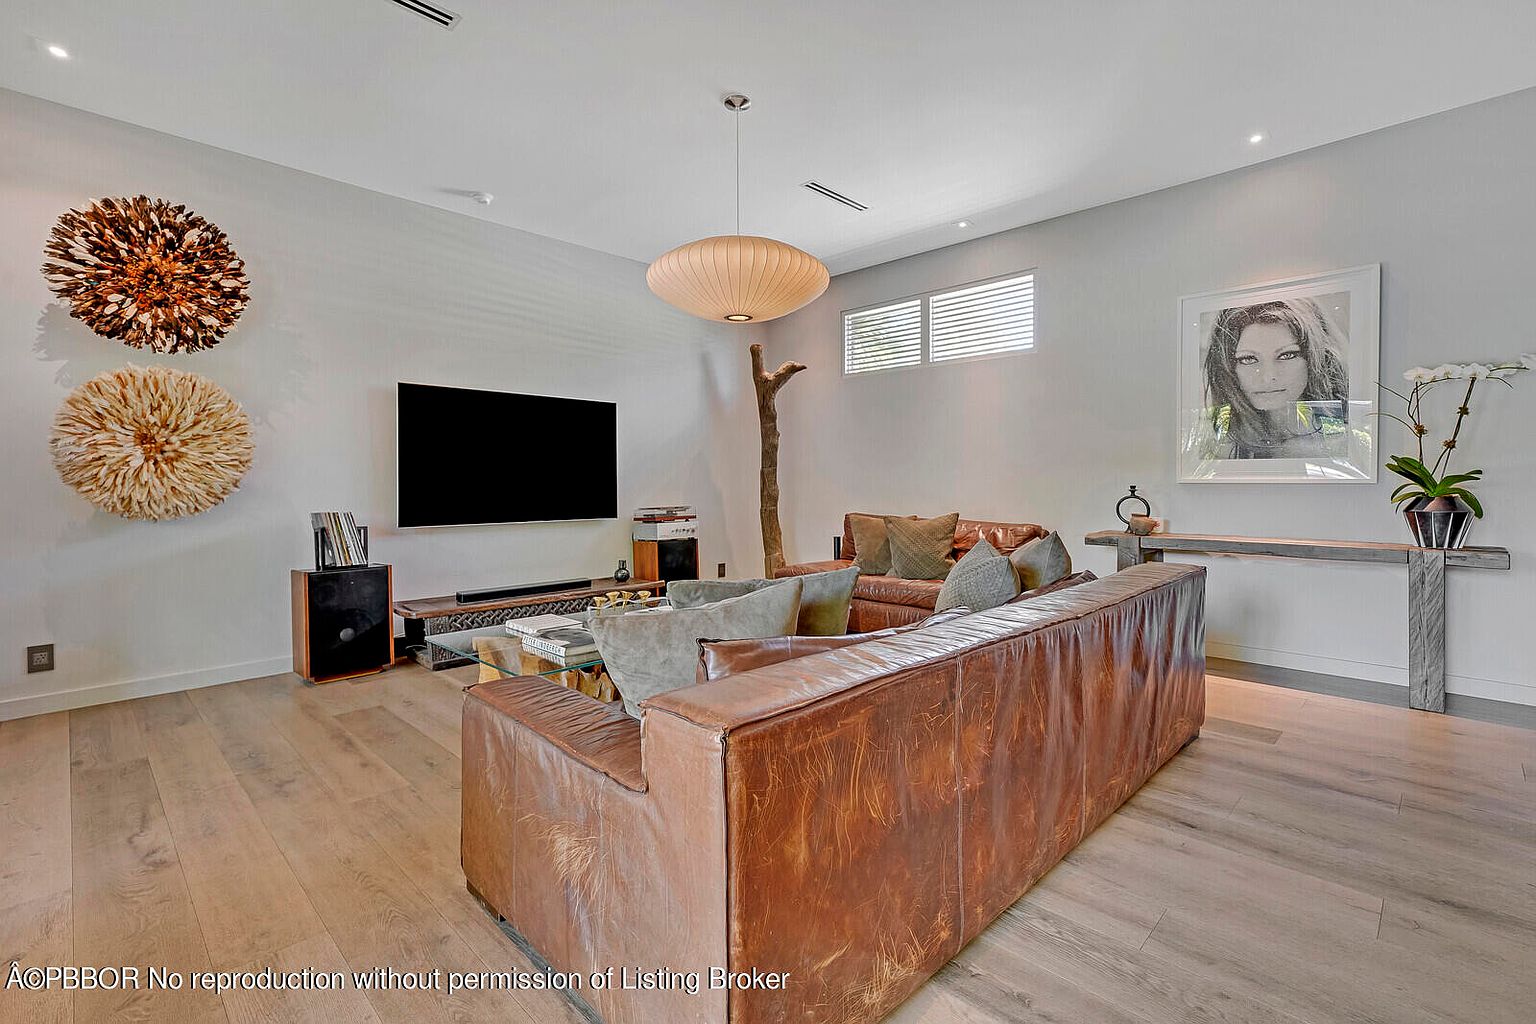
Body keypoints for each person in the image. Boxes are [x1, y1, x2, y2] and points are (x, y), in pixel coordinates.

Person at [1200, 298, 1350, 459]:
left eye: (1287, 355)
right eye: (1248, 359)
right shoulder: (1217, 439)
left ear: (1314, 358)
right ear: (1227, 367)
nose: (1268, 377)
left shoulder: (1341, 438)